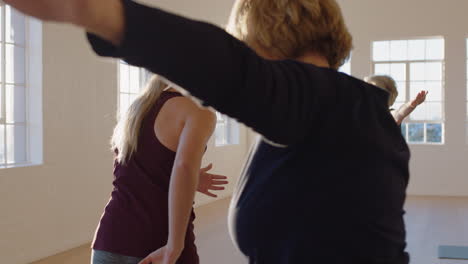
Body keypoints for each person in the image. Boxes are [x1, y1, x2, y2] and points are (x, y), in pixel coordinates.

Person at [6, 0, 411, 263]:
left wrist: (98, 12)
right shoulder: (349, 113)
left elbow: (231, 71)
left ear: (261, 37)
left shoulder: (323, 100)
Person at [91, 75, 228, 264]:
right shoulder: (199, 111)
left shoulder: (139, 106)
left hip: (109, 238)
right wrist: (175, 246)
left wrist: (189, 180)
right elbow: (184, 167)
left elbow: (137, 171)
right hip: (158, 244)